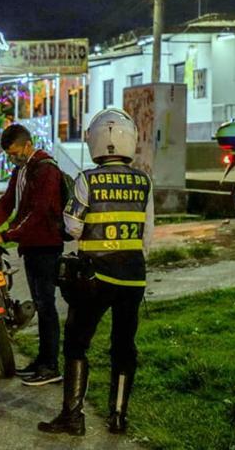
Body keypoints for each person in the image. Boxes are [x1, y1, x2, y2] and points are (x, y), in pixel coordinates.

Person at [38, 108, 154, 437]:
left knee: (76, 343)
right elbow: (147, 234)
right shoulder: (144, 181)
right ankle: (119, 417)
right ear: (130, 140)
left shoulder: (87, 179)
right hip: (133, 277)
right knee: (124, 345)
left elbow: (72, 228)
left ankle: (73, 417)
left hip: (95, 278)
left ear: (94, 142)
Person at [0, 124, 64, 386]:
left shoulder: (46, 170)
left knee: (47, 306)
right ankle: (42, 360)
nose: (12, 158)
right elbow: (7, 202)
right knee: (40, 303)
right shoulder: (22, 170)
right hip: (32, 246)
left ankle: (51, 366)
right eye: (8, 154)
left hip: (47, 246)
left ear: (28, 145)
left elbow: (38, 213)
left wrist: (6, 235)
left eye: (15, 152)